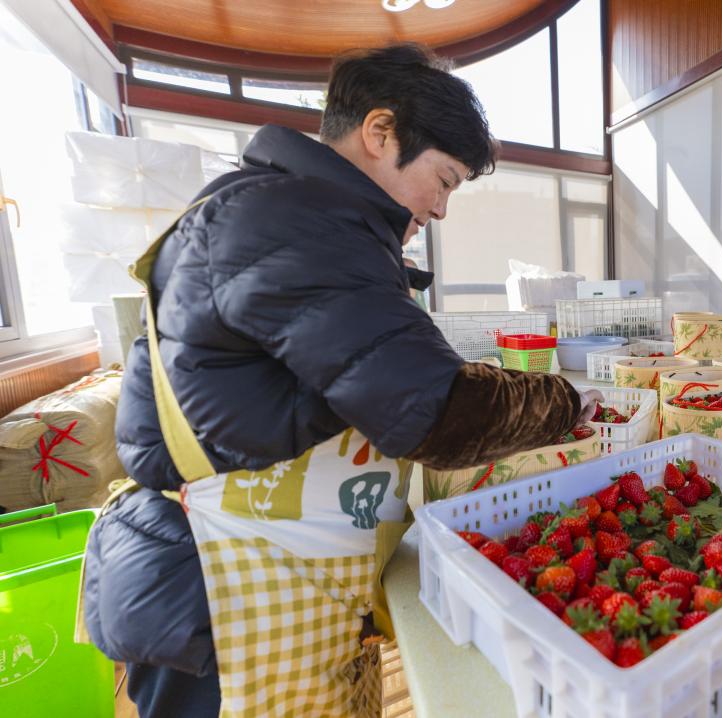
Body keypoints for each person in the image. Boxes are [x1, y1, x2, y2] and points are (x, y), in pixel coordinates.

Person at [81, 44, 600, 718]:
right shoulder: (295, 223)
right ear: (380, 133)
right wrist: (563, 403)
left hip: (262, 572)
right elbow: (433, 409)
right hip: (220, 589)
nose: (441, 210)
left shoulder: (281, 212)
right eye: (444, 180)